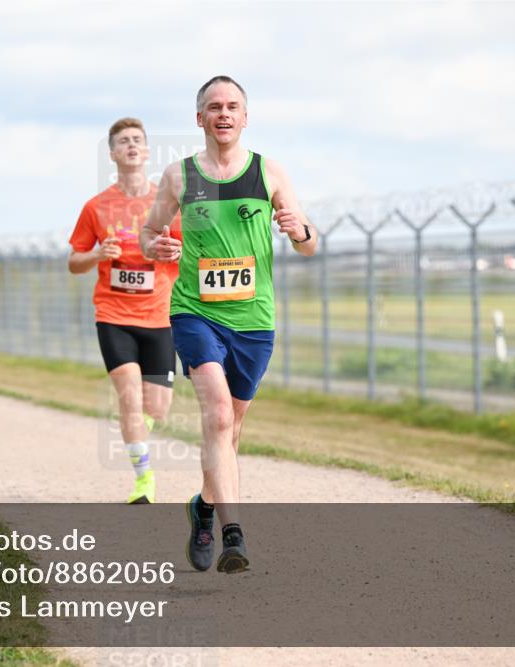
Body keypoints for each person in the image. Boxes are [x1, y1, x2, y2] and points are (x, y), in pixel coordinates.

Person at [141, 76, 317, 573]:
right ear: (200, 118)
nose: (223, 114)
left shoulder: (270, 173)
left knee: (230, 431)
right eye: (213, 107)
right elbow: (149, 231)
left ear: (245, 117)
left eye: (232, 106)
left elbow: (308, 243)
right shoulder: (180, 177)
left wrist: (299, 230)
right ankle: (232, 534)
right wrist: (156, 247)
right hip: (195, 311)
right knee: (218, 415)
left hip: (254, 321)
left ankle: (203, 507)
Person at [69, 117, 183, 505]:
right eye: (123, 141)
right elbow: (74, 262)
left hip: (159, 316)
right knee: (129, 395)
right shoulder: (96, 207)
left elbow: (187, 252)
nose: (131, 145)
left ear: (147, 151)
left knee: (158, 407)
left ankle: (135, 426)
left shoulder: (166, 204)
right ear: (113, 153)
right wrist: (97, 254)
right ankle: (144, 479)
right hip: (113, 314)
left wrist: (175, 252)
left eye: (137, 140)